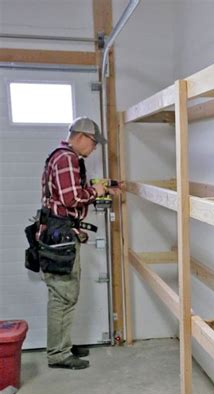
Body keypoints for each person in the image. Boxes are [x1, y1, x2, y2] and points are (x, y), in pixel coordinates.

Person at [40, 116, 118, 370]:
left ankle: (62, 344)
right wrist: (97, 192)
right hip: (60, 236)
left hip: (60, 232)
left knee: (64, 292)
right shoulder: (67, 159)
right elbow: (72, 198)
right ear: (82, 136)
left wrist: (104, 186)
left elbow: (68, 195)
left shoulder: (64, 157)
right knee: (63, 294)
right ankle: (58, 354)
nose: (94, 148)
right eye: (94, 143)